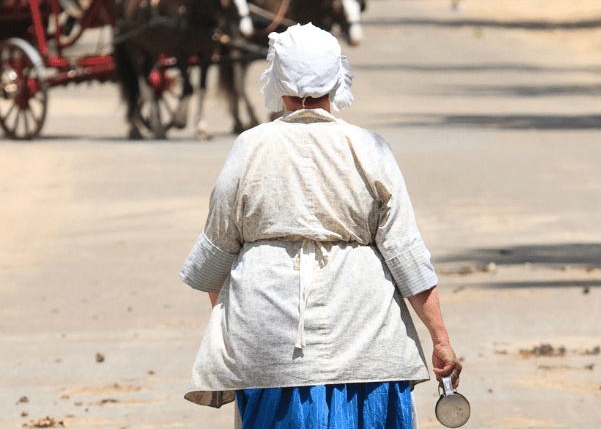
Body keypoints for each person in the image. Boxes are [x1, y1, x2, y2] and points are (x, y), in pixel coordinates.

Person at [178, 24, 462, 428]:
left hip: (270, 345)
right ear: (337, 78)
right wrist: (440, 339)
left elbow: (216, 259)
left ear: (276, 80)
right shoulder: (370, 148)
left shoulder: (250, 147)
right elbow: (405, 254)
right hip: (367, 341)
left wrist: (245, 329)